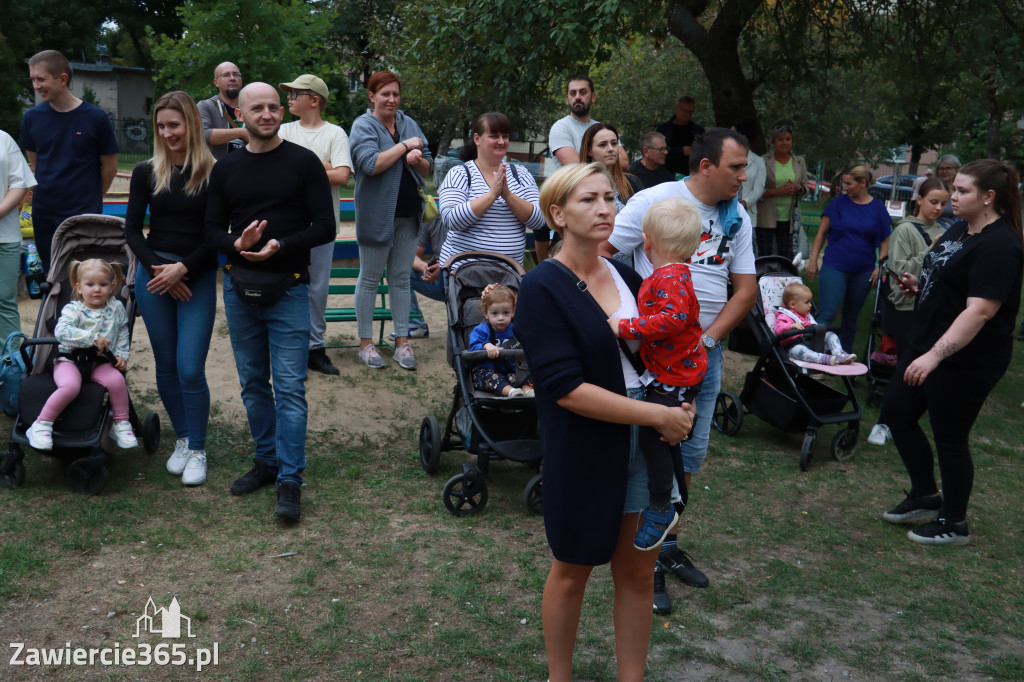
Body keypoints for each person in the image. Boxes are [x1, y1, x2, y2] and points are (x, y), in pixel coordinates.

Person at [515, 162, 695, 682]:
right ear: (557, 213)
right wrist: (659, 414)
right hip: (588, 444)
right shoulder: (543, 287)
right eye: (588, 200)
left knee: (638, 574)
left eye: (610, 199)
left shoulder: (628, 275)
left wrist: (680, 401)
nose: (604, 209)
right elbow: (567, 391)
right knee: (573, 568)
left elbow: (666, 348)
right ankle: (559, 678)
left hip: (651, 443)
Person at [603, 128, 757, 609]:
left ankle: (665, 547)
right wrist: (628, 323)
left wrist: (707, 342)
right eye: (735, 167)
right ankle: (644, 566)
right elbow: (604, 257)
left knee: (686, 456)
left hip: (702, 357)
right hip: (657, 360)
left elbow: (746, 289)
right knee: (653, 448)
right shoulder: (656, 201)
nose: (743, 176)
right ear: (706, 166)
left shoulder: (739, 216)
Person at [205, 82, 335, 521]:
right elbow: (210, 231)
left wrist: (280, 245)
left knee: (290, 388)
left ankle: (290, 481)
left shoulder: (304, 163)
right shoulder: (225, 170)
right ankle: (266, 461)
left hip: (290, 288)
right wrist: (234, 243)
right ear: (239, 116)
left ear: (282, 112)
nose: (266, 113)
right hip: (239, 289)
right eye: (255, 108)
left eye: (272, 107)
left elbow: (325, 226)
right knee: (253, 383)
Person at [880, 159, 1023, 546]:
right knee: (897, 413)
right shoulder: (961, 227)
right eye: (953, 189)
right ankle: (926, 495)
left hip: (966, 359)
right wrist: (919, 283)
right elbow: (942, 272)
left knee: (950, 437)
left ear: (989, 197)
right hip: (925, 342)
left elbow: (980, 311)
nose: (952, 197)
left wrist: (935, 356)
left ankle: (954, 523)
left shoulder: (1001, 246)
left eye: (962, 191)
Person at [124, 91, 217, 486]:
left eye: (174, 125)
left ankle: (199, 449)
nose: (167, 133)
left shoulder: (214, 172)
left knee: (190, 368)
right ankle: (182, 439)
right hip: (154, 275)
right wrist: (159, 272)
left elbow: (216, 235)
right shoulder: (148, 170)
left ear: (191, 124)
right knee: (165, 364)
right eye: (161, 126)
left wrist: (183, 270)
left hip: (195, 275)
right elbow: (131, 229)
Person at [608, 197, 706, 551]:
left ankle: (662, 506)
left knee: (655, 435)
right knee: (662, 432)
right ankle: (664, 499)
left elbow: (673, 319)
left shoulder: (671, 279)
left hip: (676, 375)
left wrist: (626, 327)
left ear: (646, 241)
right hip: (673, 371)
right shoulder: (672, 274)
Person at [349, 71, 432, 370]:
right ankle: (366, 345)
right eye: (385, 94)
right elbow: (370, 164)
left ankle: (402, 343)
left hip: (409, 217)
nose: (392, 99)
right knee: (370, 279)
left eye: (396, 94)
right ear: (372, 96)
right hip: (376, 217)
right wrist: (405, 147)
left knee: (399, 280)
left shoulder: (408, 123)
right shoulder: (363, 125)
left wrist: (417, 159)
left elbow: (427, 166)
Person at [278, 74, 353, 376]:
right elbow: (274, 167)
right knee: (285, 283)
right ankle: (288, 348)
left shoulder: (335, 133)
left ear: (315, 100)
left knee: (317, 288)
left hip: (321, 224)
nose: (290, 97)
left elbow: (341, 176)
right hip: (285, 223)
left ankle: (315, 348)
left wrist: (301, 165)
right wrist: (321, 166)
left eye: (297, 93)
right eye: (290, 92)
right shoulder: (283, 129)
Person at [19, 50, 118, 271]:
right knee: (52, 275)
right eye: (33, 79)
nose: (36, 85)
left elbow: (110, 169)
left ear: (62, 79)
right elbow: (36, 166)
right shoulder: (32, 119)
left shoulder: (96, 118)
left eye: (41, 79)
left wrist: (91, 201)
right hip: (45, 213)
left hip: (84, 213)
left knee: (85, 275)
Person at [26, 259, 137, 452]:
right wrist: (92, 338)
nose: (97, 290)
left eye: (103, 285)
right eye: (90, 285)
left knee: (117, 381)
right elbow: (62, 331)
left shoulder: (116, 308)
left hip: (99, 362)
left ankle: (121, 424)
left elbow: (122, 332)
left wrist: (121, 355)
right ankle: (42, 424)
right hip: (70, 361)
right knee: (70, 387)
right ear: (79, 287)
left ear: (111, 287)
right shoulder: (74, 309)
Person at [438, 112, 545, 268]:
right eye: (494, 136)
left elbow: (539, 220)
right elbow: (450, 220)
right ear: (477, 139)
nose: (501, 141)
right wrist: (492, 195)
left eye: (505, 136)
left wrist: (508, 196)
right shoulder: (460, 174)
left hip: (509, 276)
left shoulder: (521, 174)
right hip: (465, 276)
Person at [807, 164, 892, 352]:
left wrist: (881, 266)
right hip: (835, 266)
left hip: (864, 270)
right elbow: (821, 233)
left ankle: (843, 357)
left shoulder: (878, 208)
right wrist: (813, 260)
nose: (844, 187)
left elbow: (886, 239)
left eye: (848, 183)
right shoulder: (837, 204)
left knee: (851, 317)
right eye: (843, 183)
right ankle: (814, 356)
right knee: (827, 314)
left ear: (863, 183)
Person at [885, 177, 949, 356]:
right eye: (933, 202)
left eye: (943, 203)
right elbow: (900, 272)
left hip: (933, 307)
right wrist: (929, 252)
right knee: (908, 361)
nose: (938, 208)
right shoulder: (904, 230)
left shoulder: (943, 232)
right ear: (920, 200)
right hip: (908, 307)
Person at [547, 75, 628, 172]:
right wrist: (606, 160)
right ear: (567, 99)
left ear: (593, 97)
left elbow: (624, 163)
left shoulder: (602, 129)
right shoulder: (561, 128)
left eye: (583, 92)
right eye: (573, 93)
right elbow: (577, 170)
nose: (577, 97)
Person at [0, 130, 35, 340]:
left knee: (4, 300)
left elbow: (19, 182)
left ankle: (11, 363)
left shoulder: (3, 139)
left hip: (5, 235)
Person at [468, 284, 532, 398]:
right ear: (486, 314)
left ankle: (528, 392)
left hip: (509, 371)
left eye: (506, 313)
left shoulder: (516, 330)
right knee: (492, 377)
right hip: (486, 371)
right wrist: (486, 345)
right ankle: (511, 392)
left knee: (521, 375)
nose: (501, 318)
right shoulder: (482, 330)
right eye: (495, 313)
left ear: (513, 312)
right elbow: (473, 348)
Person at [755, 124, 808, 259]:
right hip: (766, 218)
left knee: (787, 256)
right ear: (773, 142)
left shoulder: (799, 161)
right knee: (764, 255)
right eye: (780, 139)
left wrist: (798, 189)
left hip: (789, 219)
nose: (784, 142)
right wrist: (776, 191)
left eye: (788, 139)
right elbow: (755, 191)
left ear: (792, 141)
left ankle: (786, 280)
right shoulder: (763, 161)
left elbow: (805, 189)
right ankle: (762, 279)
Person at [774, 282, 856, 365]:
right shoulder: (785, 316)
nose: (810, 305)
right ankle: (822, 358)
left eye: (810, 302)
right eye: (807, 302)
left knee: (831, 335)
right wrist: (791, 326)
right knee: (799, 350)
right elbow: (778, 328)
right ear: (792, 304)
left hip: (813, 344)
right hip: (793, 346)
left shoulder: (806, 316)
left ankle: (838, 354)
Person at [579, 123, 642, 212]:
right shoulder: (577, 185)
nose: (611, 148)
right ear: (589, 150)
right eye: (602, 144)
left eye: (614, 143)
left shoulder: (632, 183)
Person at [198, 61, 249, 160]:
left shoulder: (253, 106)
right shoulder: (206, 106)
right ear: (216, 82)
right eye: (226, 75)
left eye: (236, 74)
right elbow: (203, 135)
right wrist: (242, 133)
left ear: (241, 80)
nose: (232, 78)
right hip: (218, 170)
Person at [657, 95, 705, 176]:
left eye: (690, 112)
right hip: (666, 175)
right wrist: (680, 151)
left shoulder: (698, 130)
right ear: (676, 108)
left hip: (691, 175)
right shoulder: (663, 129)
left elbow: (707, 154)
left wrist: (699, 148)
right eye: (685, 111)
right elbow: (657, 153)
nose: (687, 114)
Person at [733, 120, 766, 232]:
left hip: (748, 212)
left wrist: (745, 203)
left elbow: (759, 187)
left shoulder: (759, 161)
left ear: (743, 137)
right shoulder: (726, 159)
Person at [934, 154, 961, 229]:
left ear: (957, 170)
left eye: (948, 168)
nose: (944, 171)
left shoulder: (963, 191)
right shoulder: (932, 189)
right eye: (941, 168)